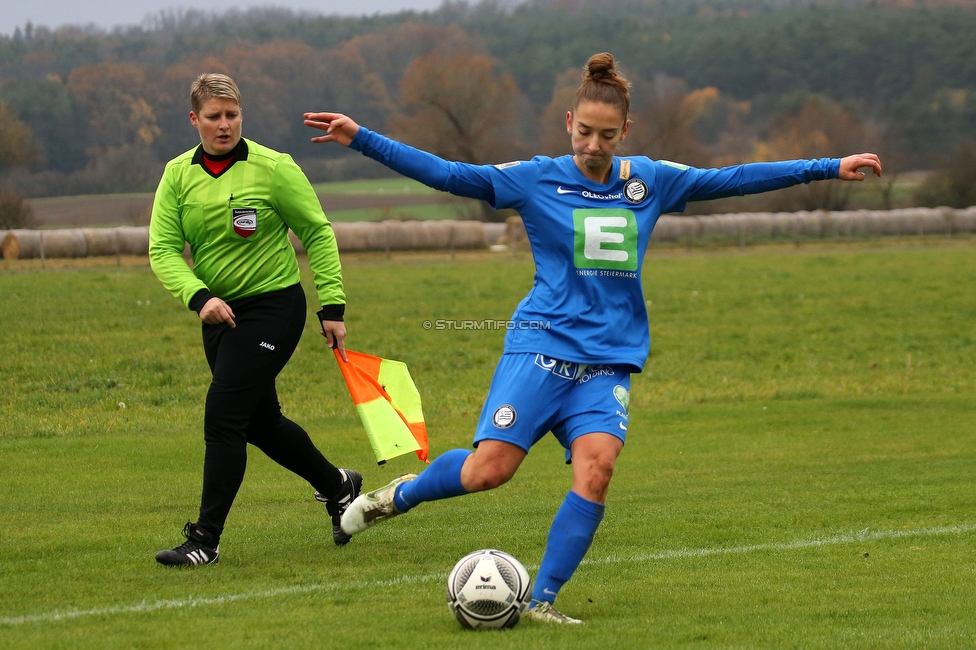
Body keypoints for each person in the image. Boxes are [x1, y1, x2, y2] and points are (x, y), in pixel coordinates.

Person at [304, 53, 882, 621]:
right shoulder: (534, 179)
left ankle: (542, 603)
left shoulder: (651, 181)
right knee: (489, 472)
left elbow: (733, 179)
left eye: (607, 135)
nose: (594, 145)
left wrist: (828, 166)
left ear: (624, 131)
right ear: (567, 125)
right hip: (541, 348)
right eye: (584, 132)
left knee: (597, 471)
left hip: (608, 361)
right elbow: (453, 176)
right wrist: (361, 138)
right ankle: (394, 497)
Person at [149, 73, 362, 567]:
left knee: (223, 416)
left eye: (232, 115)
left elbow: (318, 233)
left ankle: (205, 540)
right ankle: (338, 487)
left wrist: (332, 307)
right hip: (217, 314)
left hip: (274, 309)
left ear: (241, 115)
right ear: (194, 120)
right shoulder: (178, 175)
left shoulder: (274, 168)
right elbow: (161, 249)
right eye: (213, 117)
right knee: (260, 423)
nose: (224, 125)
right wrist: (198, 296)